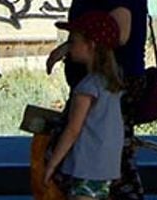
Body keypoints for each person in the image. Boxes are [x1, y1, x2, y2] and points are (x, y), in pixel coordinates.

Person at [46, 0, 148, 200]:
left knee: (103, 160)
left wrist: (72, 46)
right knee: (112, 162)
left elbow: (119, 30)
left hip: (110, 83)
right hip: (108, 81)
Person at [44, 10, 126, 200]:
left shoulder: (87, 87)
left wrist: (52, 165)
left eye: (73, 41)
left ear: (91, 45)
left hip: (86, 167)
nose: (69, 47)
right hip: (106, 168)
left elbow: (73, 129)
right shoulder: (110, 83)